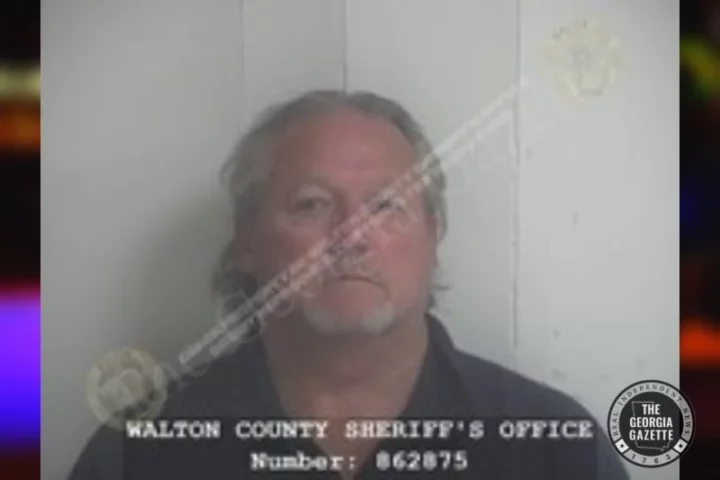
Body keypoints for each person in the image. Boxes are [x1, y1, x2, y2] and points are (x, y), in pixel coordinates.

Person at [68, 90, 630, 479]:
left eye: (387, 207)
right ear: (248, 241)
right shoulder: (141, 454)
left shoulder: (553, 449)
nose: (352, 237)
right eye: (311, 204)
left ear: (434, 237)